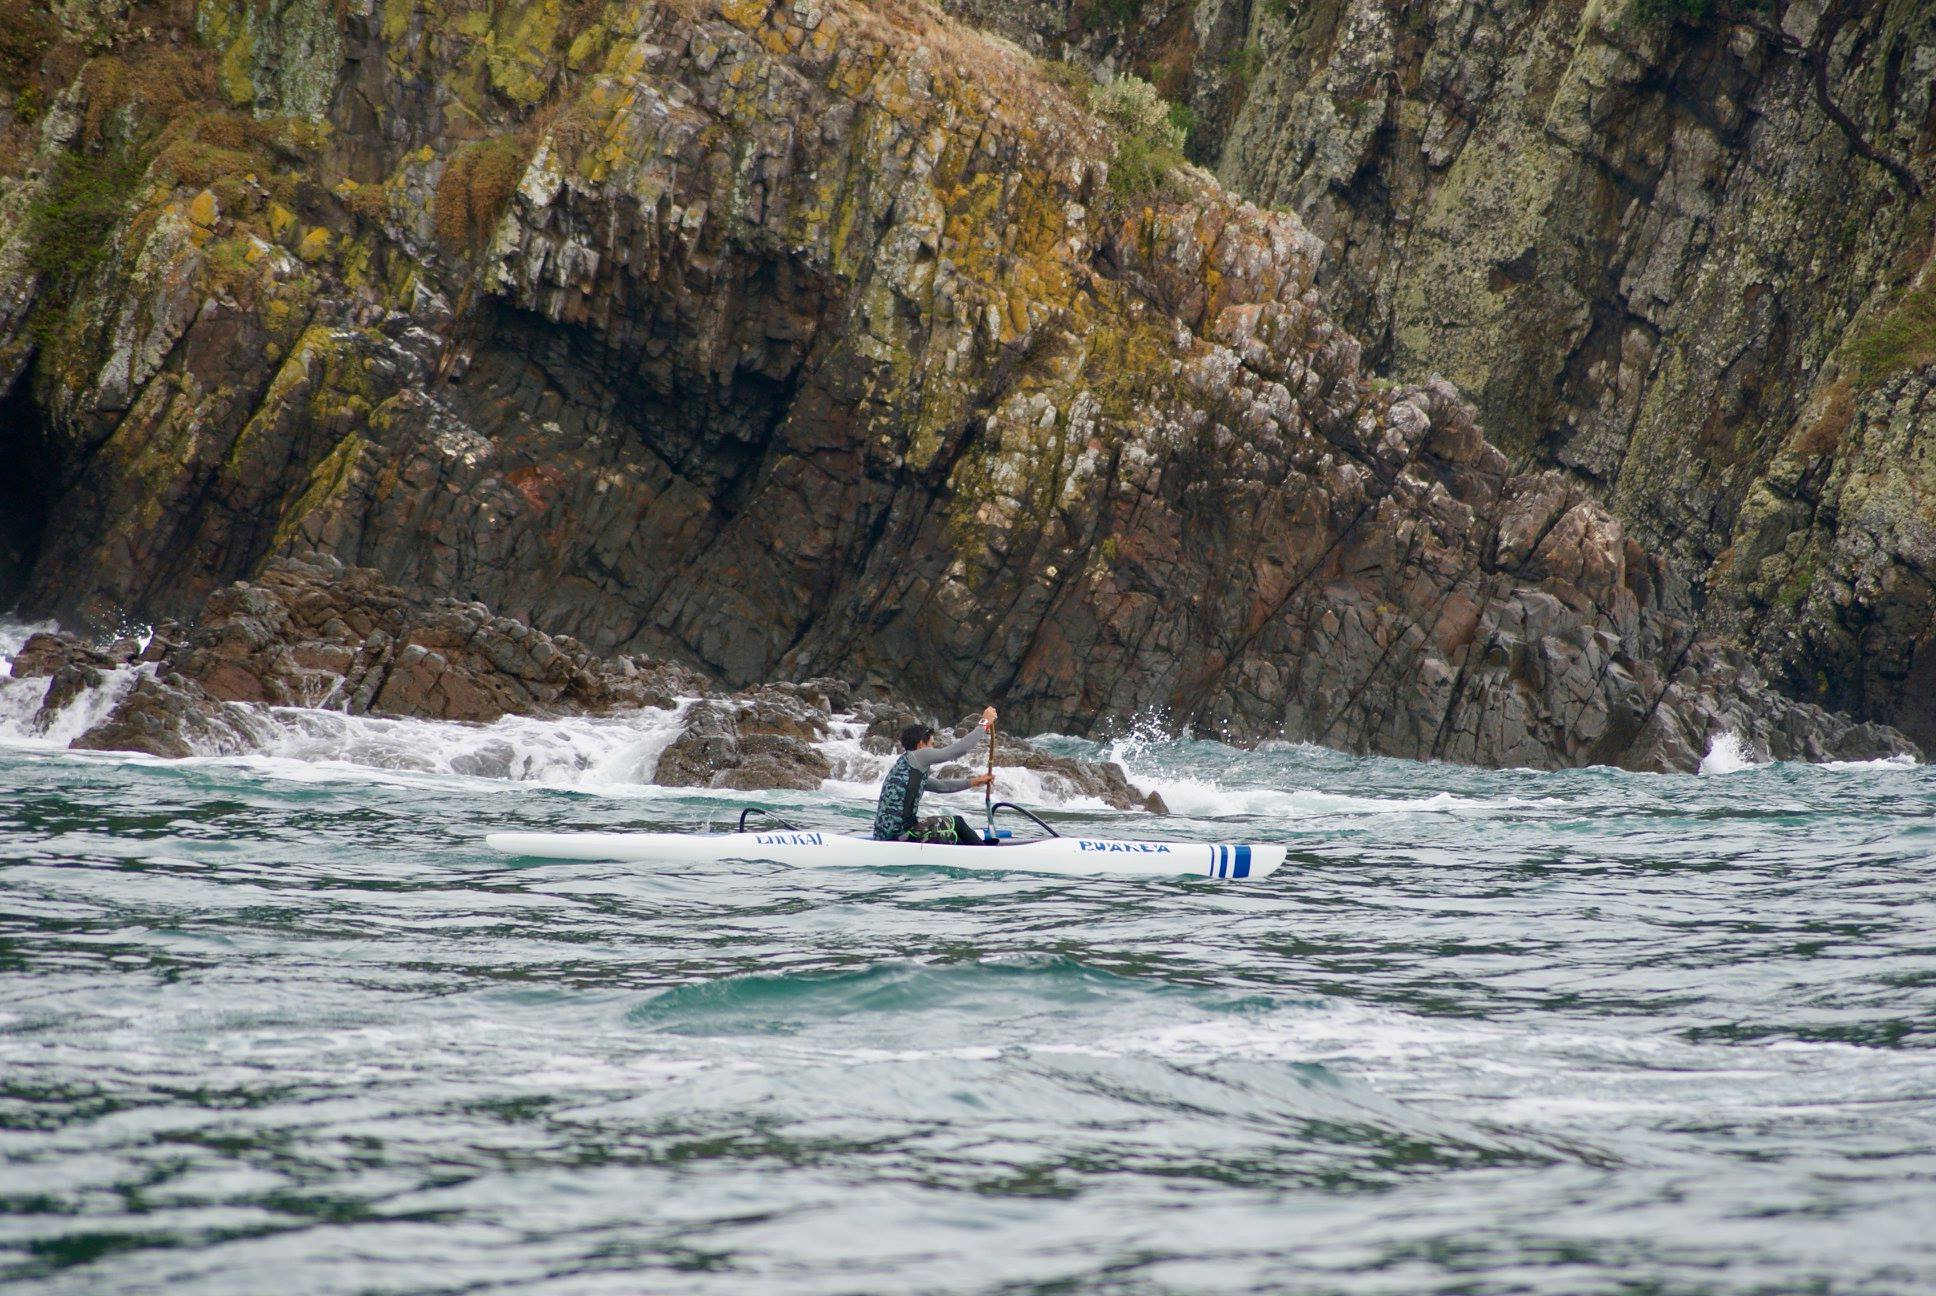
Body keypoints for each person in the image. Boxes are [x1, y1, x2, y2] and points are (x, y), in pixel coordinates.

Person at [872, 706, 998, 843]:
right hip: (900, 835)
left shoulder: (908, 767)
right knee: (957, 823)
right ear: (921, 744)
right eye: (932, 744)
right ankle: (985, 854)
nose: (934, 749)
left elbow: (942, 786)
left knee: (953, 834)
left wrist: (974, 782)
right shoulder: (918, 756)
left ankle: (976, 850)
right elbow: (958, 750)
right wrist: (984, 723)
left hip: (886, 835)